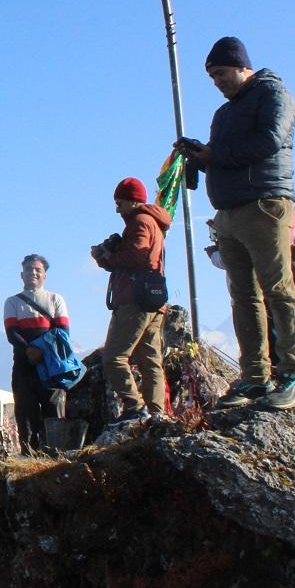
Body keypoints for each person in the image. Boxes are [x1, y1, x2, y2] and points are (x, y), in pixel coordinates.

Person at [174, 36, 295, 411]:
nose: (217, 82)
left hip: (266, 204)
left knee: (278, 289)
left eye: (220, 74)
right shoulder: (224, 113)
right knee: (243, 296)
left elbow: (269, 140)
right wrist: (200, 158)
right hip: (229, 212)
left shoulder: (274, 94)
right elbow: (225, 156)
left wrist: (214, 154)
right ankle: (254, 374)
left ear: (240, 65)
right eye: (212, 77)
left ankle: (294, 374)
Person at [94, 178, 171, 421]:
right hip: (154, 300)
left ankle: (135, 407)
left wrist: (107, 256)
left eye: (119, 203)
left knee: (114, 357)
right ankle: (157, 414)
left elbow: (137, 255)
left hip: (134, 299)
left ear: (131, 200)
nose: (118, 210)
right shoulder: (155, 222)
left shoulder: (139, 221)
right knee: (150, 359)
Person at [4, 254, 70, 449]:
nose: (32, 273)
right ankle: (28, 455)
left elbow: (62, 332)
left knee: (54, 413)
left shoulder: (55, 299)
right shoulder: (12, 302)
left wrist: (41, 351)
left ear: (44, 275)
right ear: (21, 274)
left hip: (51, 367)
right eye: (28, 270)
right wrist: (30, 351)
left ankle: (56, 455)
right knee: (25, 414)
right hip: (24, 366)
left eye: (37, 270)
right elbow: (12, 333)